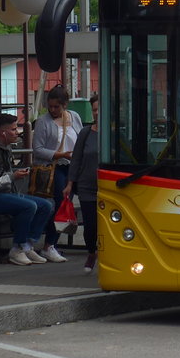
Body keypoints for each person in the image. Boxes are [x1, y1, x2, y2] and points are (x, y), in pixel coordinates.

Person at [0, 113, 54, 267]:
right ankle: (17, 248)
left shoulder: (5, 149)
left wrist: (15, 176)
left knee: (46, 205)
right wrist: (12, 177)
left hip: (5, 195)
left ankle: (27, 245)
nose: (17, 132)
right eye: (13, 129)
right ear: (3, 133)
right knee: (29, 206)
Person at [31, 84, 83, 262]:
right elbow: (37, 149)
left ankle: (51, 244)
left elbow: (80, 139)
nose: (52, 110)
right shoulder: (43, 122)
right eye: (50, 106)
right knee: (61, 202)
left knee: (66, 204)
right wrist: (60, 154)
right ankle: (49, 245)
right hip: (54, 167)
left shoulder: (74, 117)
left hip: (73, 166)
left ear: (65, 105)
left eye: (56, 107)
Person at [66, 93, 100, 274]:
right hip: (87, 186)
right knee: (90, 225)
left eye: (100, 109)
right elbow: (76, 159)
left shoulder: (115, 133)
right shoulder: (85, 133)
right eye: (94, 110)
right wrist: (70, 183)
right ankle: (91, 252)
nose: (97, 113)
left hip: (108, 187)